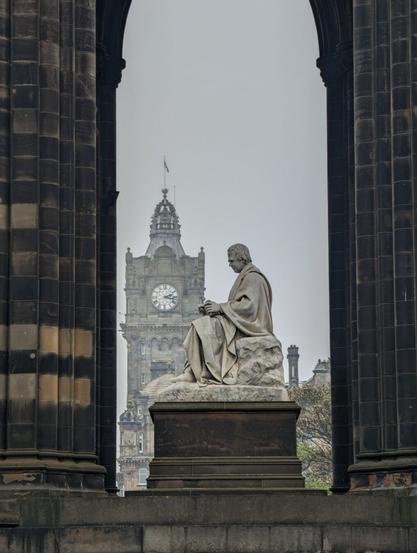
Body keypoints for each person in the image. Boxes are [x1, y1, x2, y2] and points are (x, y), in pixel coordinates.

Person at [176, 243, 281, 386]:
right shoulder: (246, 276)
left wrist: (220, 308)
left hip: (251, 326)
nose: (230, 265)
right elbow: (240, 307)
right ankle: (192, 372)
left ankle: (197, 373)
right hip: (241, 323)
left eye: (231, 261)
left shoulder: (253, 277)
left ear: (242, 258)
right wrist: (213, 309)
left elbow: (249, 307)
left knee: (204, 326)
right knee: (202, 324)